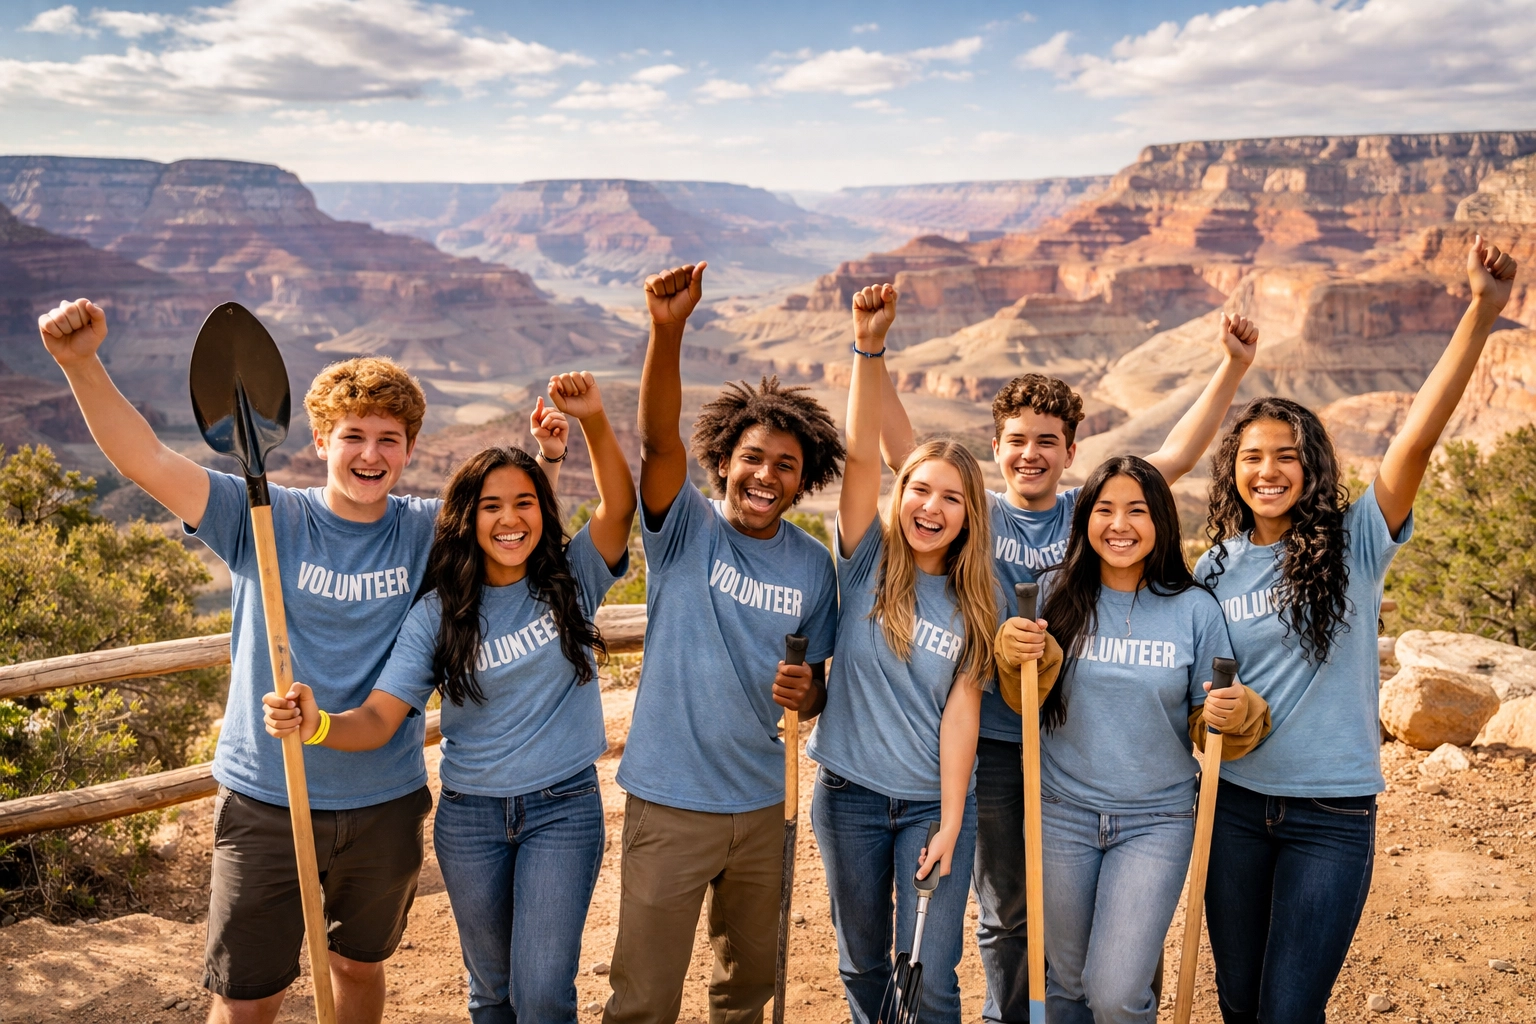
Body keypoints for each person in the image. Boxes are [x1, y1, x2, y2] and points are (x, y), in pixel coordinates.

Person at [35, 298, 569, 1024]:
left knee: (358, 967)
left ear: (411, 450)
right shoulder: (262, 515)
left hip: (382, 800)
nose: (371, 455)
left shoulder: (425, 532)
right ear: (319, 440)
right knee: (248, 995)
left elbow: (514, 525)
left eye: (389, 439)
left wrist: (551, 459)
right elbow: (146, 460)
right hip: (267, 800)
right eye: (353, 436)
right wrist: (81, 365)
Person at [878, 315, 1258, 1020]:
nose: (1031, 454)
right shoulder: (976, 511)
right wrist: (871, 353)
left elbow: (1169, 459)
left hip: (1065, 739)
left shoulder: (1088, 517)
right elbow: (905, 453)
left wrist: (1231, 369)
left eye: (1047, 442)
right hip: (989, 735)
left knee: (1068, 926)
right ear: (994, 448)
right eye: (1016, 441)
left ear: (1071, 450)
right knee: (1006, 907)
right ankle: (1006, 1013)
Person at [1195, 236, 1519, 1024]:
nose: (1268, 470)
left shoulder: (1356, 542)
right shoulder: (1211, 570)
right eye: (1251, 458)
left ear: (1312, 466)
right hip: (1231, 809)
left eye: (1286, 456)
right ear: (1231, 470)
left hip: (1331, 815)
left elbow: (1417, 436)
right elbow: (1187, 689)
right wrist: (1208, 713)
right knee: (1239, 1007)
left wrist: (1481, 311)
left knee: (1289, 1012)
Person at [261, 371, 634, 1023]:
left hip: (562, 811)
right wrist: (319, 725)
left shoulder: (573, 581)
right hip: (471, 821)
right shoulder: (437, 615)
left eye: (525, 504)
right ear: (469, 518)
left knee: (543, 993)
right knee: (491, 994)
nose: (510, 519)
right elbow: (379, 718)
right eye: (491, 506)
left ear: (544, 512)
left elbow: (619, 509)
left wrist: (593, 422)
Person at [606, 263, 844, 1024]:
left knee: (745, 991)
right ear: (724, 462)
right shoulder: (686, 530)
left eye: (785, 465)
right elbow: (655, 438)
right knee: (644, 996)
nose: (765, 476)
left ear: (802, 481)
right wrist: (666, 330)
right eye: (752, 459)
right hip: (671, 804)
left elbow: (822, 688)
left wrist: (810, 694)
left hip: (765, 806)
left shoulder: (811, 566)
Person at [993, 455, 1268, 1024]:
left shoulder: (1195, 609)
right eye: (1105, 509)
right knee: (1066, 984)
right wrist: (1011, 653)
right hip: (1060, 812)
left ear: (1160, 521)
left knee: (1116, 992)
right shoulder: (1051, 595)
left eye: (1137, 510)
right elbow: (1023, 700)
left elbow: (1206, 722)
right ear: (1085, 520)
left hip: (1155, 819)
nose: (1120, 524)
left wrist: (1230, 711)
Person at [806, 283, 1009, 1024]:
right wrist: (868, 347)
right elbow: (863, 458)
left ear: (969, 514)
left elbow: (962, 713)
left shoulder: (977, 600)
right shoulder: (865, 560)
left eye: (951, 497)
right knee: (861, 964)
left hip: (930, 804)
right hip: (849, 798)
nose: (931, 507)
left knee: (928, 972)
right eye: (919, 489)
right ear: (901, 496)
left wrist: (954, 821)